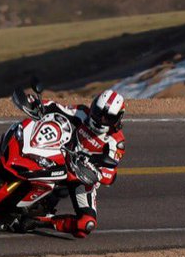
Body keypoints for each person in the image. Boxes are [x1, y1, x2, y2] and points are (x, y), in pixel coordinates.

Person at [12, 88, 126, 237]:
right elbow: (56, 108)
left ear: (117, 119)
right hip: (60, 155)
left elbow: (110, 175)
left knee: (86, 224)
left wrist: (91, 167)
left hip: (82, 178)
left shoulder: (116, 142)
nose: (100, 119)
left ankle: (40, 221)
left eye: (107, 117)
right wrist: (38, 104)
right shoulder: (83, 113)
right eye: (98, 112)